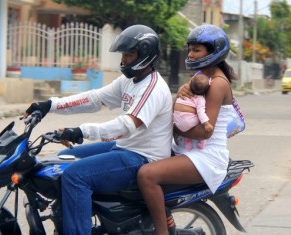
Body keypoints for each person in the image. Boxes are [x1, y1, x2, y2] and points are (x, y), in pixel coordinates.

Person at [24, 24, 173, 235]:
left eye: (129, 55)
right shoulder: (129, 80)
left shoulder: (153, 88)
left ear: (145, 54)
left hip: (143, 157)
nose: (123, 60)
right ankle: (77, 216)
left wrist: (81, 131)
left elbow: (127, 125)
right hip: (125, 148)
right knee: (64, 158)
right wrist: (50, 105)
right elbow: (94, 99)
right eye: (123, 55)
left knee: (75, 176)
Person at [137, 24, 239, 235]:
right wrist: (181, 94)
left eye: (197, 50)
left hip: (205, 156)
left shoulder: (218, 83)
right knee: (136, 157)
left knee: (147, 175)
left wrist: (173, 129)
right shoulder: (201, 77)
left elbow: (205, 131)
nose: (191, 54)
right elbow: (181, 110)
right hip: (187, 149)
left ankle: (161, 231)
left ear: (214, 52)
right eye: (190, 49)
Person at [173, 70, 213, 150]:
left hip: (177, 123)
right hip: (189, 123)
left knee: (187, 116)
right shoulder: (200, 99)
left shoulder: (184, 94)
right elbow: (201, 112)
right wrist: (206, 124)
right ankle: (201, 142)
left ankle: (187, 141)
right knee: (199, 115)